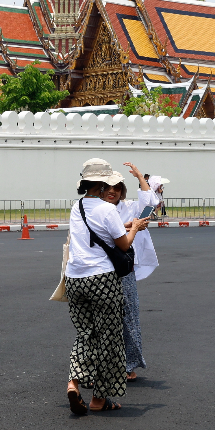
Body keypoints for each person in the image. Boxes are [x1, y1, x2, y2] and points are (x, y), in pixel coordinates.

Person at [65, 158, 149, 415]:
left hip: (74, 280)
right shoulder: (107, 209)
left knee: (86, 334)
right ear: (101, 186)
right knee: (109, 340)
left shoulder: (77, 206)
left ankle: (73, 381)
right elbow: (123, 245)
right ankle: (99, 400)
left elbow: (99, 232)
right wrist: (134, 227)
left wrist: (126, 226)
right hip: (102, 280)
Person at [99, 163, 158, 381]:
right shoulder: (94, 209)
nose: (112, 191)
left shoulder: (129, 207)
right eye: (107, 187)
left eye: (116, 187)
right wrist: (128, 227)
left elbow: (149, 205)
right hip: (100, 270)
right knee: (105, 320)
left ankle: (128, 364)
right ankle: (105, 364)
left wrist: (141, 177)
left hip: (124, 269)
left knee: (129, 316)